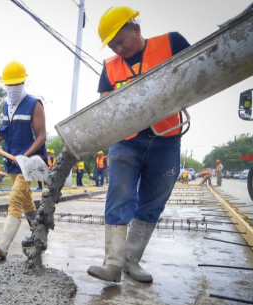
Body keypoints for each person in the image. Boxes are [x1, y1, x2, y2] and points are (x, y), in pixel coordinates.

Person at [87, 6, 191, 283]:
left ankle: (131, 261)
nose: (118, 49)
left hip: (166, 139)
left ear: (136, 29)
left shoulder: (171, 43)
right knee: (119, 194)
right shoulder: (110, 67)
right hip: (126, 141)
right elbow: (104, 103)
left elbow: (199, 73)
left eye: (121, 41)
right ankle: (112, 264)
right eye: (113, 45)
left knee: (154, 200)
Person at [0, 61, 47, 257]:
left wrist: (25, 156)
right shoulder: (6, 106)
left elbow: (41, 136)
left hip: (30, 163)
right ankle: (39, 235)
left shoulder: (34, 104)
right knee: (26, 201)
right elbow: (7, 131)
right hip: (12, 162)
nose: (12, 88)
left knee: (15, 199)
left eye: (16, 83)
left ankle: (3, 244)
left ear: (23, 81)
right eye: (8, 84)